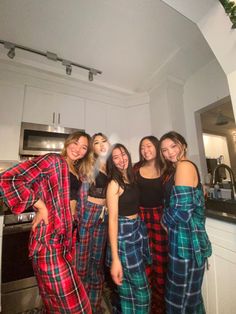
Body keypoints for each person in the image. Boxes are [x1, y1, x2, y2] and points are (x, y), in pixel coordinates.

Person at [0, 131, 93, 313]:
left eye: (84, 148)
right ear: (67, 143)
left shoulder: (76, 170)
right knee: (79, 308)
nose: (79, 150)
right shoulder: (53, 161)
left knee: (55, 305)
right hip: (49, 242)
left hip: (66, 242)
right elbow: (9, 179)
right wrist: (40, 206)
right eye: (76, 143)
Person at [159, 131, 212, 314]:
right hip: (183, 242)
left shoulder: (184, 166)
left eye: (173, 146)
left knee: (179, 302)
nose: (169, 153)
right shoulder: (179, 168)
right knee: (190, 300)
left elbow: (182, 212)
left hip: (187, 244)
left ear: (184, 145)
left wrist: (163, 220)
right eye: (164, 150)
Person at [106, 143, 151, 313]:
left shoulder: (131, 177)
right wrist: (116, 259)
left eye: (123, 154)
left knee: (130, 290)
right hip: (123, 237)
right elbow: (113, 221)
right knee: (142, 291)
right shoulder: (114, 184)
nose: (121, 159)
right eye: (116, 157)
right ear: (112, 162)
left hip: (136, 231)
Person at [76, 132, 110, 313]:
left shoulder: (112, 166)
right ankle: (79, 306)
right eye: (96, 143)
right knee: (81, 264)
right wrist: (80, 220)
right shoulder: (88, 164)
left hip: (104, 218)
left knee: (96, 264)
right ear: (93, 148)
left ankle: (94, 306)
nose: (101, 145)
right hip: (88, 214)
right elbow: (82, 194)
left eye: (104, 141)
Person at [134, 135, 168, 314]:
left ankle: (160, 305)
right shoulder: (135, 169)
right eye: (142, 147)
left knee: (161, 262)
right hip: (140, 218)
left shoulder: (166, 169)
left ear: (156, 148)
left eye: (149, 146)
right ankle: (144, 301)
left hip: (160, 219)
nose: (145, 150)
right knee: (143, 260)